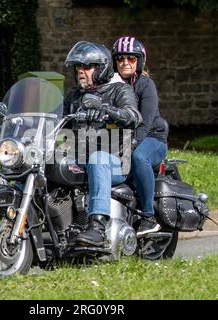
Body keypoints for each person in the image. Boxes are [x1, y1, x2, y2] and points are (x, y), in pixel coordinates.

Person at [63, 41, 142, 246]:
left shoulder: (119, 91)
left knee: (98, 158)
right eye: (78, 67)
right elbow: (56, 119)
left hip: (115, 160)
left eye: (87, 67)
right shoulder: (73, 97)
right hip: (80, 158)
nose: (81, 71)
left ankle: (97, 227)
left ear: (101, 68)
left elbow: (133, 115)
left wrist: (108, 111)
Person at [112, 36, 168, 236]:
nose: (125, 62)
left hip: (151, 137)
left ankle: (148, 216)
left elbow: (146, 121)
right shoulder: (111, 85)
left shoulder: (145, 85)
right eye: (120, 58)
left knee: (138, 157)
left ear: (140, 61)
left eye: (131, 58)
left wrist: (132, 144)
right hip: (121, 138)